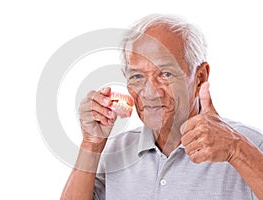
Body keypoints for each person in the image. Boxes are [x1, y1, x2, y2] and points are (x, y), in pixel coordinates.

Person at [61, 14, 263, 200]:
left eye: (165, 74)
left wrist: (237, 151)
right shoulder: (117, 149)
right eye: (138, 76)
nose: (150, 92)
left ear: (200, 77)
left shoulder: (250, 146)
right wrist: (91, 144)